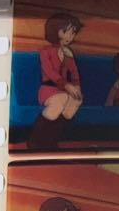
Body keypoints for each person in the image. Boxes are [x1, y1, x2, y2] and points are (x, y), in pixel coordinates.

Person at [29, 12, 83, 150]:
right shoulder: (45, 51)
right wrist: (66, 85)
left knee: (76, 100)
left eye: (73, 33)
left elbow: (75, 74)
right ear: (55, 31)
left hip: (64, 89)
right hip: (48, 89)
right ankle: (35, 140)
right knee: (61, 100)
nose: (70, 36)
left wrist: (77, 87)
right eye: (66, 32)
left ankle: (52, 139)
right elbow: (49, 72)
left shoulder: (68, 53)